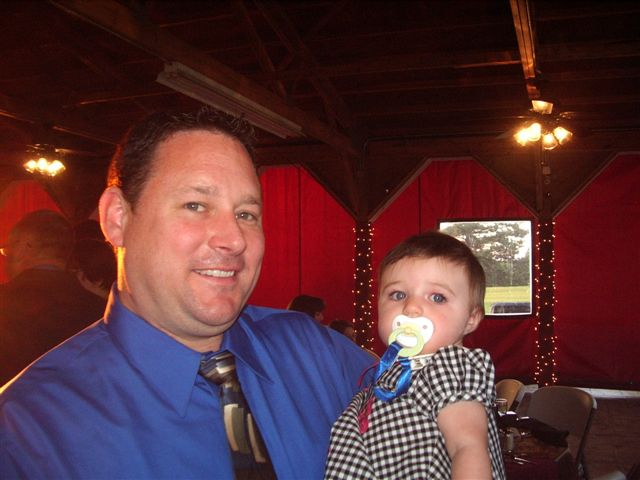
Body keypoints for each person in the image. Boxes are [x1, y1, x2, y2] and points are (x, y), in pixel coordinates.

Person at [0, 107, 373, 479]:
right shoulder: (29, 432)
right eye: (195, 205)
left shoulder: (315, 353)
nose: (234, 239)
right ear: (117, 218)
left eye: (246, 214)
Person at [325, 231, 506, 479]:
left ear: (470, 319)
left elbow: (468, 447)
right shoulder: (389, 375)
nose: (411, 307)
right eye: (398, 295)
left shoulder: (450, 366)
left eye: (437, 297)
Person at [0, 210, 106, 384]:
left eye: (6, 249)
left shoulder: (5, 304)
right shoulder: (101, 311)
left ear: (24, 246)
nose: (6, 258)